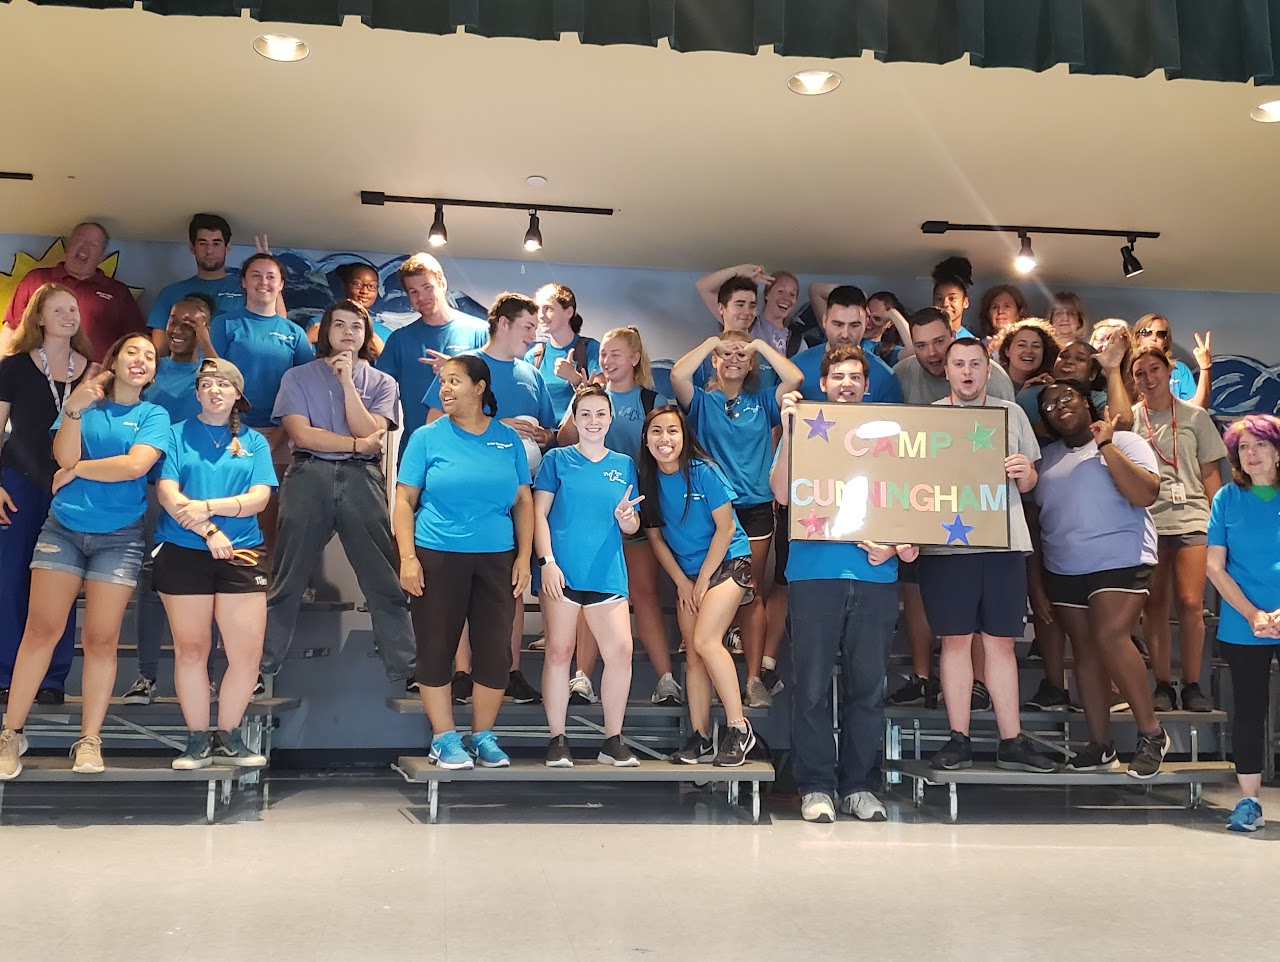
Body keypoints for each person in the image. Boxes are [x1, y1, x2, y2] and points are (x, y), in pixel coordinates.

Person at [0, 333, 169, 779]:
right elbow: (62, 454)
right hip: (64, 530)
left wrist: (78, 471)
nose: (141, 360)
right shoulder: (82, 405)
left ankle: (89, 740)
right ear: (113, 360)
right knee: (40, 631)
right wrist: (74, 408)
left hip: (120, 539)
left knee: (101, 640)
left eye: (149, 356)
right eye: (132, 351)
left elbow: (134, 466)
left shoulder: (154, 414)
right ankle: (11, 733)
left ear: (153, 371)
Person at [769, 345, 919, 822]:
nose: (848, 384)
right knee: (810, 687)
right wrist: (791, 430)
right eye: (839, 377)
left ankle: (859, 786)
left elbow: (913, 501)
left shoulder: (889, 435)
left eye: (856, 376)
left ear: (867, 385)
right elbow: (779, 491)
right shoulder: (805, 427)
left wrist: (896, 546)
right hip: (813, 574)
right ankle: (816, 786)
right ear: (824, 383)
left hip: (877, 576)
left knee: (867, 688)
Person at [260, 300, 415, 690]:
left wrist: (347, 383)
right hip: (308, 472)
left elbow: (371, 432)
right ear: (326, 330)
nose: (348, 332)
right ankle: (261, 668)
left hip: (362, 477)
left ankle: (406, 668)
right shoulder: (297, 377)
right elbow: (301, 434)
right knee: (288, 575)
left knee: (382, 576)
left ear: (366, 336)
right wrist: (354, 443)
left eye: (357, 327)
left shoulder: (382, 382)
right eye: (340, 325)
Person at [922, 338, 1056, 773]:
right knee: (955, 642)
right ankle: (958, 737)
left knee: (1001, 643)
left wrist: (1024, 472)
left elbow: (1030, 482)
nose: (966, 372)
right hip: (947, 546)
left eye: (975, 364)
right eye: (958, 364)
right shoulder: (930, 419)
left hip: (1004, 542)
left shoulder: (1011, 413)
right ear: (946, 370)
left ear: (987, 370)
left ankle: (1011, 739)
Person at [393, 354, 533, 770]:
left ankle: (483, 736)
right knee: (436, 648)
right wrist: (407, 559)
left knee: (494, 653)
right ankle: (443, 738)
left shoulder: (507, 440)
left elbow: (523, 501)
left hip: (496, 558)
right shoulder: (425, 438)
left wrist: (523, 557)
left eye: (455, 381)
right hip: (437, 555)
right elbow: (403, 501)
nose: (445, 389)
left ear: (480, 387)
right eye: (442, 383)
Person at [1028, 380, 1169, 778]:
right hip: (1064, 565)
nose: (1059, 406)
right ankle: (1100, 745)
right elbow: (1035, 526)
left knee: (1110, 636)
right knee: (1086, 651)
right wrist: (1036, 584)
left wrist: (1105, 445)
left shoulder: (1124, 441)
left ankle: (1152, 733)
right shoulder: (1046, 459)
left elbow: (1144, 495)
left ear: (1088, 402)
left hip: (1120, 559)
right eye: (1050, 404)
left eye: (1066, 397)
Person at [424, 292, 554, 705]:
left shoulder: (530, 374)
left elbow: (550, 432)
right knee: (459, 590)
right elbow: (432, 421)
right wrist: (498, 425)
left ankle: (509, 670)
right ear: (502, 323)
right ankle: (462, 673)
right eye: (528, 327)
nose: (534, 335)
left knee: (513, 586)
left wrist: (537, 435)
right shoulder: (461, 367)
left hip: (514, 499)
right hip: (459, 502)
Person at [670, 330, 802, 709]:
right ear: (713, 360)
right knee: (707, 586)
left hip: (755, 506)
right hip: (711, 508)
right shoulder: (702, 401)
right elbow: (678, 375)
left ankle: (753, 678)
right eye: (726, 356)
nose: (733, 360)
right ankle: (711, 676)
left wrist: (758, 346)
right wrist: (713, 342)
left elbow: (794, 379)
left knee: (751, 592)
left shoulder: (762, 398)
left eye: (741, 356)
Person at [154, 358, 276, 768]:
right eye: (207, 383)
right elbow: (169, 496)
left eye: (224, 384)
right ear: (197, 392)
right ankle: (195, 739)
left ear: (237, 395)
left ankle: (228, 735)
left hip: (241, 554)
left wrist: (207, 506)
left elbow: (259, 498)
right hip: (184, 551)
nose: (215, 390)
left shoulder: (255, 443)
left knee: (246, 654)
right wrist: (210, 531)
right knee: (192, 650)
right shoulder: (175, 435)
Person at [557, 326, 678, 705]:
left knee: (643, 592)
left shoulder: (652, 399)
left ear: (635, 358)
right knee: (590, 594)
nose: (607, 360)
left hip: (636, 509)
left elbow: (670, 445)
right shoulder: (590, 398)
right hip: (591, 518)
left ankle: (667, 680)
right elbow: (563, 442)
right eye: (604, 353)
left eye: (616, 353)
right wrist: (579, 400)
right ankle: (581, 678)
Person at [637, 405, 757, 767]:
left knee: (707, 640)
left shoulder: (704, 472)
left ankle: (739, 729)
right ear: (646, 439)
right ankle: (701, 736)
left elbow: (727, 529)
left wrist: (702, 580)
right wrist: (681, 582)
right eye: (656, 432)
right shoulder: (648, 481)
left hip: (728, 563)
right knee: (693, 654)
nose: (665, 439)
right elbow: (655, 539)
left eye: (672, 431)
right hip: (687, 574)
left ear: (684, 437)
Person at [535, 385, 641, 767]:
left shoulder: (625, 464)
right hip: (562, 573)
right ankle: (557, 739)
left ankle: (612, 740)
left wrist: (628, 520)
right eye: (586, 414)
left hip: (607, 572)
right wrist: (547, 560)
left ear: (610, 418)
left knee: (621, 652)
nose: (593, 421)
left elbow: (631, 525)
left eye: (600, 414)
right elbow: (538, 514)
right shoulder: (557, 460)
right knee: (560, 652)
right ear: (575, 419)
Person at [122, 292, 220, 704]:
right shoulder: (151, 371)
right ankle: (146, 677)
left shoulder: (212, 376)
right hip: (151, 489)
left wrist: (206, 339)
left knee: (210, 581)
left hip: (202, 494)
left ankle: (210, 678)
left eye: (193, 323)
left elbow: (226, 383)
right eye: (176, 320)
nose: (181, 329)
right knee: (151, 579)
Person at [0, 284, 92, 706]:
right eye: (59, 309)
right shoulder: (14, 367)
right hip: (18, 481)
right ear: (38, 317)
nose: (69, 316)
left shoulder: (92, 370)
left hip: (69, 486)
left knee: (60, 582)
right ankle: (7, 671)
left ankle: (53, 677)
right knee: (11, 579)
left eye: (73, 309)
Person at [1131, 346, 1228, 711]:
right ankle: (1161, 685)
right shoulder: (1131, 419)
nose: (1148, 378)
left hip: (1193, 517)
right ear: (1133, 380)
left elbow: (1210, 474)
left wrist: (1222, 526)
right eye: (1140, 373)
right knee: (1154, 605)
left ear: (1168, 371)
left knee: (1190, 603)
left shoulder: (1194, 416)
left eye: (1154, 369)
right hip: (1148, 520)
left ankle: (1192, 685)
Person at [1205, 415, 1280, 830]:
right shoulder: (1227, 499)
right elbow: (1215, 566)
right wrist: (1253, 614)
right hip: (1242, 623)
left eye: (1261, 446)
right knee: (1249, 711)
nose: (1251, 455)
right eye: (1244, 448)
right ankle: (1249, 802)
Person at [210, 252, 313, 549]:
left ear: (281, 285)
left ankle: (268, 582)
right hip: (231, 432)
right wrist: (232, 431)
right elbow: (213, 382)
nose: (263, 282)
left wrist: (280, 435)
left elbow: (304, 390)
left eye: (271, 276)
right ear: (243, 281)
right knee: (227, 504)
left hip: (281, 434)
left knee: (272, 511)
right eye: (256, 275)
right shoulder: (226, 324)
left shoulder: (293, 334)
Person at [375, 253, 487, 461]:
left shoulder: (479, 332)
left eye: (427, 287)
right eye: (413, 291)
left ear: (442, 283)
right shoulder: (399, 340)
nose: (422, 297)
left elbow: (493, 392)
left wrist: (458, 370)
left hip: (470, 452)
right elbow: (377, 394)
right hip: (417, 453)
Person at [0, 222, 145, 362]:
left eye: (94, 244)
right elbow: (11, 328)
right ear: (68, 246)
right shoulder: (36, 279)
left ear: (102, 256)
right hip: (35, 375)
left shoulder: (118, 292)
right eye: (80, 239)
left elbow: (135, 341)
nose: (85, 247)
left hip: (93, 380)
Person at [147, 214, 285, 356]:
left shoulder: (245, 288)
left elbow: (279, 325)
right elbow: (159, 353)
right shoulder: (170, 293)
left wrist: (269, 270)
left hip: (235, 374)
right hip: (187, 374)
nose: (209, 250)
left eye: (216, 243)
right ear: (192, 247)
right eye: (202, 243)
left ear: (227, 248)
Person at [892, 308, 1017, 405]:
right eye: (921, 346)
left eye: (939, 342)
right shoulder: (900, 374)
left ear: (953, 335)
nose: (932, 353)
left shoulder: (994, 378)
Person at [527, 282, 601, 423]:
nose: (541, 316)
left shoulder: (591, 349)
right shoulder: (533, 356)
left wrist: (575, 378)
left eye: (548, 308)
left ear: (569, 312)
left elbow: (602, 397)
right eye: (538, 309)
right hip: (541, 438)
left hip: (578, 439)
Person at [695, 263, 800, 357]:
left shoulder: (795, 339)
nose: (786, 298)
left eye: (792, 294)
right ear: (767, 294)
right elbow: (703, 287)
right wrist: (737, 271)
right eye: (780, 291)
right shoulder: (745, 320)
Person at [307, 263, 390, 358]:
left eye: (372, 286)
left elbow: (391, 371)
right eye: (357, 284)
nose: (365, 291)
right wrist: (307, 341)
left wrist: (382, 354)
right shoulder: (317, 325)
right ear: (344, 286)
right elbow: (305, 368)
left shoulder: (386, 334)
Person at [1133, 313, 1212, 409]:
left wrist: (1205, 368)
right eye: (1146, 332)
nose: (1154, 338)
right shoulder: (1126, 370)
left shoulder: (1179, 369)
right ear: (1137, 338)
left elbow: (1197, 409)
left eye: (1161, 334)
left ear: (1166, 342)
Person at [994, 318, 1058, 392]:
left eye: (1036, 346)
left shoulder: (1047, 384)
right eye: (1021, 345)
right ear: (1007, 351)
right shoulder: (992, 381)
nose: (1029, 351)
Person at [931, 256, 978, 339]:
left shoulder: (971, 342)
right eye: (939, 299)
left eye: (952, 298)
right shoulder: (925, 337)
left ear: (965, 302)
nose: (945, 304)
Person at [865, 291, 912, 365]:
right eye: (866, 315)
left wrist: (892, 314)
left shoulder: (886, 351)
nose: (868, 322)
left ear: (889, 323)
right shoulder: (846, 338)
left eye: (877, 318)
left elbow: (913, 349)